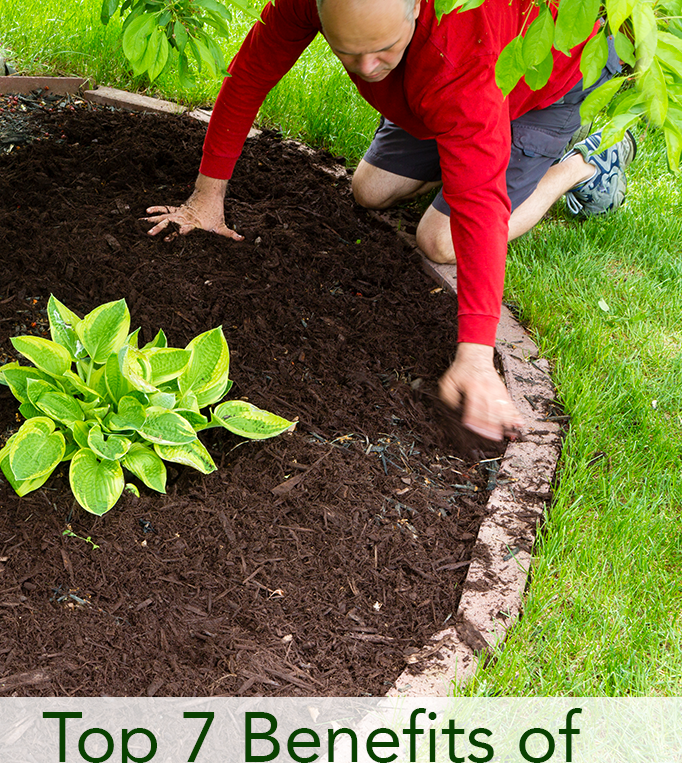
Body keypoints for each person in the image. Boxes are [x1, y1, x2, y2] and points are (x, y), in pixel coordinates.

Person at [144, 0, 632, 441]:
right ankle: (462, 142)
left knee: (440, 240)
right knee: (370, 191)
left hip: (537, 87)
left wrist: (477, 357)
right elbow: (251, 73)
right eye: (347, 53)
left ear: (417, 9)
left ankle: (585, 162)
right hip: (437, 89)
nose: (367, 70)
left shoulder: (459, 51)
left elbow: (480, 205)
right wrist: (207, 197)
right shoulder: (313, 6)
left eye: (382, 49)